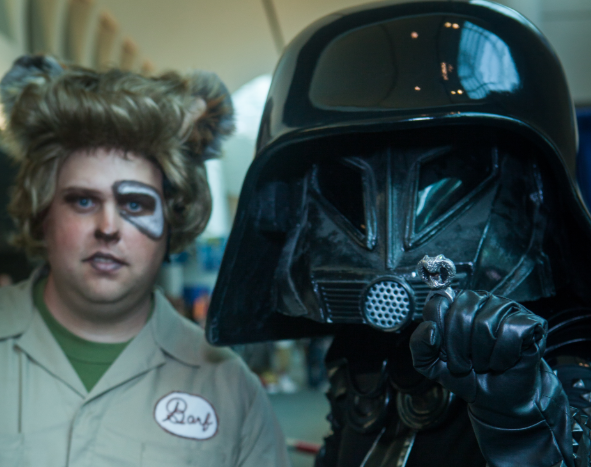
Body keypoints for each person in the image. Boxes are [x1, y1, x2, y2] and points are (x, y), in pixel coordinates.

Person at [206, 1, 591, 466]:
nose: (388, 225)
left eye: (446, 171)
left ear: (533, 189)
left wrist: (529, 428)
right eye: (350, 182)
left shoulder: (562, 344)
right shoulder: (363, 349)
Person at [0, 55, 289, 467]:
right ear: (44, 212)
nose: (108, 227)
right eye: (83, 201)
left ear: (173, 220)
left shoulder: (230, 390)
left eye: (135, 204)